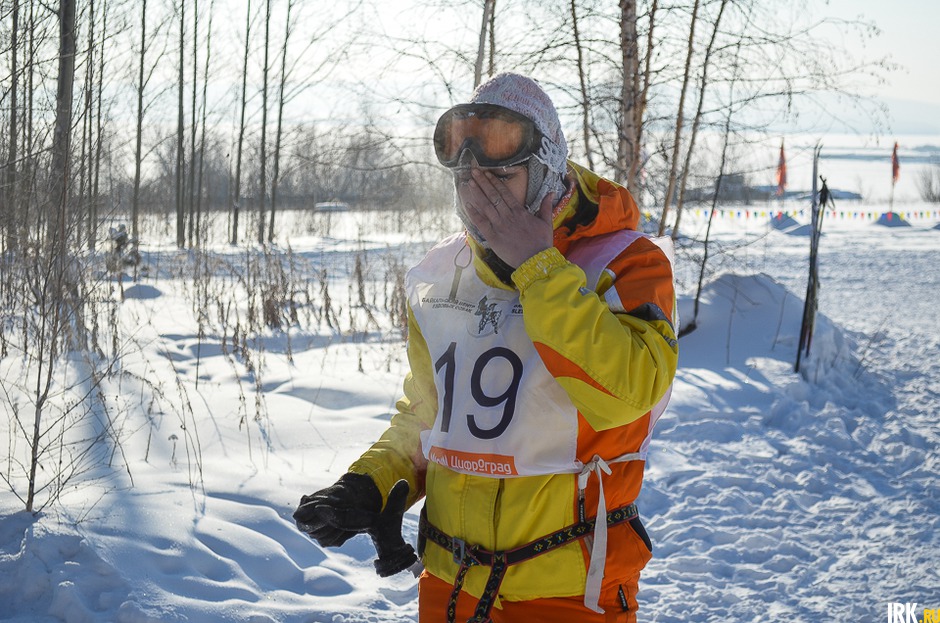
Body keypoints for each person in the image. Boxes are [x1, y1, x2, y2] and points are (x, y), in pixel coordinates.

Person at [294, 72, 678, 623]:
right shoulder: (438, 275)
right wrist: (369, 483)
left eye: (502, 175)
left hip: (569, 593)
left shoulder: (625, 264)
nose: (481, 196)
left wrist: (539, 269)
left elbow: (630, 394)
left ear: (546, 170)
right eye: (466, 178)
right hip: (452, 589)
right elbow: (431, 417)